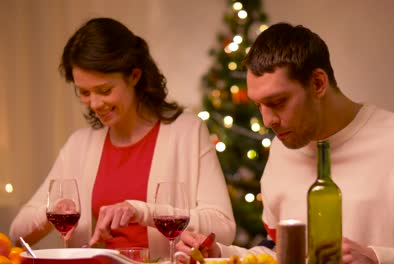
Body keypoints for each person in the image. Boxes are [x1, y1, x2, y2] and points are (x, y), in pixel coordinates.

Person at [176, 22, 394, 263]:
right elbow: (281, 255)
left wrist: (377, 258)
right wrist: (222, 254)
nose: (267, 121)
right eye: (258, 106)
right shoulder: (281, 150)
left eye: (277, 102)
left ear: (318, 83)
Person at [9, 17, 235, 258]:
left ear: (135, 76)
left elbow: (223, 228)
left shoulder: (186, 132)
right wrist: (51, 211)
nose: (94, 104)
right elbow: (16, 234)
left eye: (105, 90)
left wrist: (142, 211)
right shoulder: (79, 145)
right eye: (84, 92)